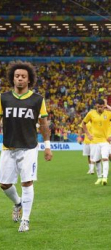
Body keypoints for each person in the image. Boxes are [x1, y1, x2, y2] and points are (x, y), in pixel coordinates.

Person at [0, 61, 53, 232]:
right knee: (4, 184)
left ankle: (26, 220)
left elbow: (44, 125)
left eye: (23, 76)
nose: (20, 79)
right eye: (17, 76)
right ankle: (18, 202)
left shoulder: (37, 99)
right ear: (12, 79)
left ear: (29, 80)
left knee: (27, 182)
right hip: (8, 147)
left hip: (29, 147)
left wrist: (47, 146)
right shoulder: (3, 98)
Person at [82, 99, 111, 186]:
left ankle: (105, 178)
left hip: (105, 141)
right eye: (98, 107)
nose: (99, 108)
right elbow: (83, 124)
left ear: (103, 106)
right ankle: (99, 178)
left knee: (105, 158)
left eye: (101, 107)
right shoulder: (91, 113)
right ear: (96, 106)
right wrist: (88, 134)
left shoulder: (109, 114)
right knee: (97, 160)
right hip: (94, 142)